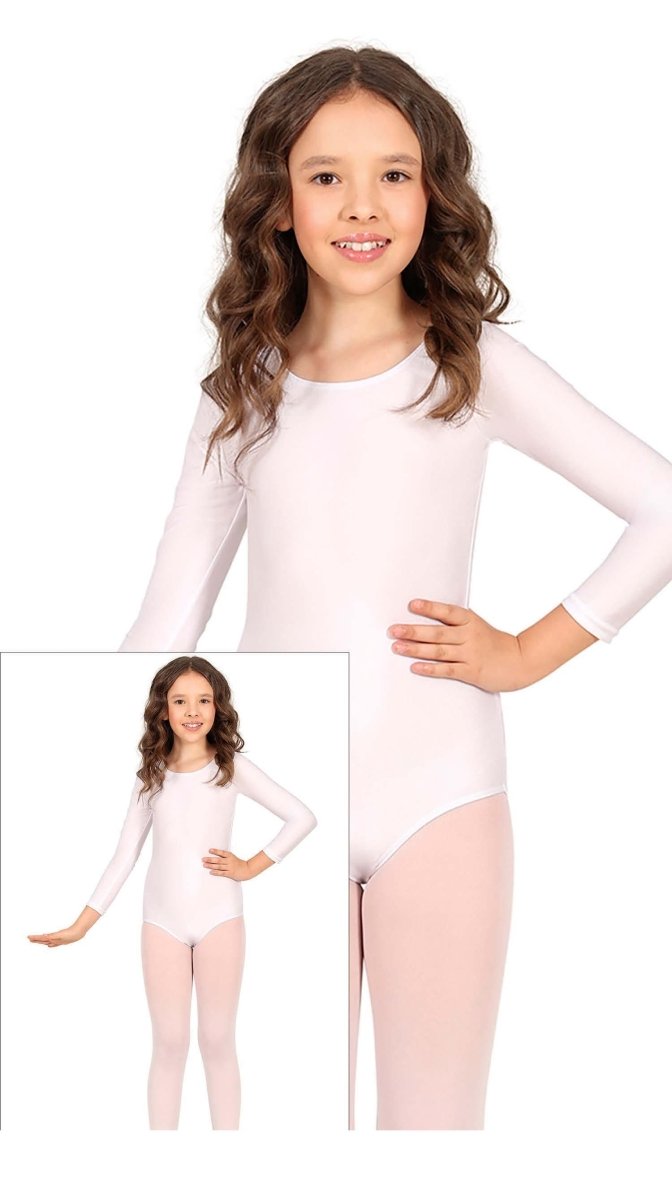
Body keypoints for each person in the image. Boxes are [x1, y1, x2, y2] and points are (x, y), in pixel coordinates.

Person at [115, 46, 672, 1128]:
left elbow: (661, 505)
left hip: (442, 798)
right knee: (281, 1132)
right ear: (277, 202)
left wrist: (530, 651)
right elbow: (165, 620)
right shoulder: (241, 391)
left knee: (436, 1135)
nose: (361, 205)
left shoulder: (471, 364)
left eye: (395, 174)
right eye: (326, 175)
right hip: (276, 790)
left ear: (434, 193)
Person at [27, 655, 318, 1129]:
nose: (192, 711)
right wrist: (82, 926)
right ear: (163, 710)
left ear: (218, 707)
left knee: (217, 1040)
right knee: (169, 1043)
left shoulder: (231, 768)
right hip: (161, 923)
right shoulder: (152, 776)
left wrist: (251, 866)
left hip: (220, 919)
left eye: (204, 700)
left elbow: (302, 817)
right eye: (180, 701)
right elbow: (125, 855)